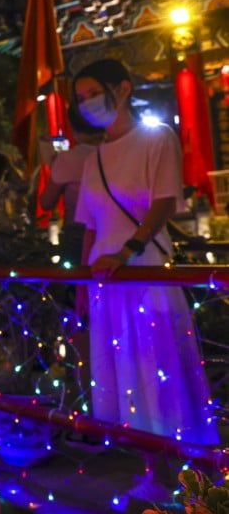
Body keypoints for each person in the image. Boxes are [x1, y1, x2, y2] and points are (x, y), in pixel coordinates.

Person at [72, 59, 218, 508]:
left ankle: (193, 475)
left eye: (93, 92)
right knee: (123, 372)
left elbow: (164, 204)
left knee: (161, 367)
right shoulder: (93, 157)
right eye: (80, 98)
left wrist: (128, 251)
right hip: (105, 282)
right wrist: (81, 283)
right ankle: (152, 471)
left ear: (123, 88)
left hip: (145, 271)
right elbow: (90, 227)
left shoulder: (157, 138)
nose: (87, 103)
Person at [39, 104, 105, 267]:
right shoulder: (118, 154)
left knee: (77, 286)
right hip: (113, 228)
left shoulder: (67, 159)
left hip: (78, 233)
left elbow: (46, 202)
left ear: (74, 130)